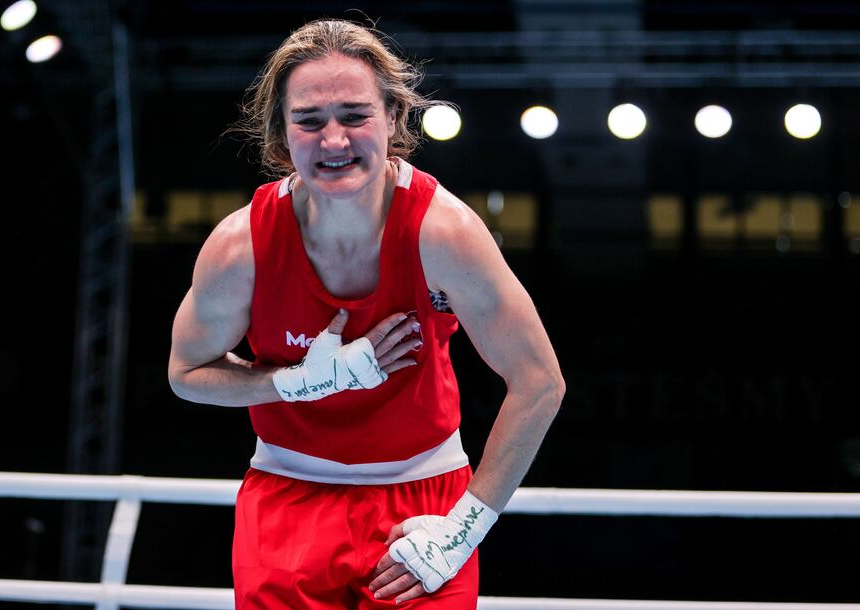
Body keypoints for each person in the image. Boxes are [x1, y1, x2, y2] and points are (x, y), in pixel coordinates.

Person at [168, 18, 565, 609]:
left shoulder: (443, 233)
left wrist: (463, 531)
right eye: (310, 120)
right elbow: (186, 374)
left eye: (355, 116)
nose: (334, 141)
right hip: (288, 499)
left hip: (424, 504)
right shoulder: (240, 247)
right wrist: (299, 382)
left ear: (394, 121)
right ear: (282, 134)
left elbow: (540, 382)